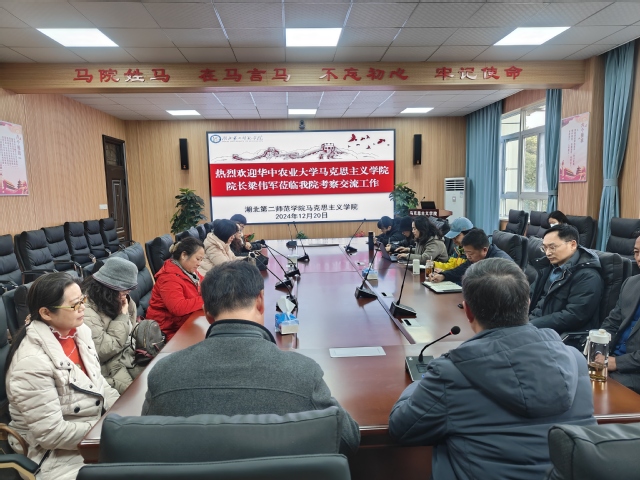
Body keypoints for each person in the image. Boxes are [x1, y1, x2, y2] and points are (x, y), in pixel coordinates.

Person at [389, 259, 596, 480]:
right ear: (527, 303)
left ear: (468, 311)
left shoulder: (451, 373)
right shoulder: (575, 360)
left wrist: (423, 379)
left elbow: (402, 429)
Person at [142, 261, 360, 456]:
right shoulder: (303, 372)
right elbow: (348, 439)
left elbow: (147, 443)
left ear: (207, 313)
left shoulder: (164, 373)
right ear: (260, 302)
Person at [5, 273, 120, 480]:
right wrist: (110, 430)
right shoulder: (31, 364)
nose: (83, 308)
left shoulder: (80, 331)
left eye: (83, 300)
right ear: (46, 313)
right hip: (57, 454)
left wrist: (123, 413)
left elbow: (98, 383)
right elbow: (52, 434)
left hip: (94, 432)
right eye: (75, 304)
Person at [82, 257, 143, 394]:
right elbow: (103, 351)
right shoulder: (86, 310)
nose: (127, 294)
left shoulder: (120, 298)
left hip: (127, 353)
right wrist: (122, 315)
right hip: (108, 367)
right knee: (141, 392)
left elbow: (132, 327)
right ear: (109, 288)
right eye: (125, 290)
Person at [529, 224, 603, 334]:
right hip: (532, 322)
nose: (548, 253)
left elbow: (574, 315)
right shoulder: (547, 267)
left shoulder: (588, 275)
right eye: (544, 248)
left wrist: (531, 325)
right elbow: (530, 294)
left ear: (572, 245)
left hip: (553, 332)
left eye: (552, 247)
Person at [600, 236, 640, 393]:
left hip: (634, 372)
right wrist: (599, 349)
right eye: (636, 252)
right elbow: (612, 322)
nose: (638, 258)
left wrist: (617, 363)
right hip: (610, 361)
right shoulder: (631, 283)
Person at [145, 237, 204, 342]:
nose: (199, 263)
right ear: (184, 255)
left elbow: (205, 284)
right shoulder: (169, 278)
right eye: (197, 259)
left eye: (201, 260)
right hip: (167, 331)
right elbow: (178, 307)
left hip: (184, 323)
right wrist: (206, 299)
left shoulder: (189, 271)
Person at [428, 228, 511, 285]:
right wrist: (443, 275)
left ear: (484, 250)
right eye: (466, 253)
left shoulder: (499, 263)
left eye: (470, 254)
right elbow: (461, 270)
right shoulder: (476, 258)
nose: (468, 257)